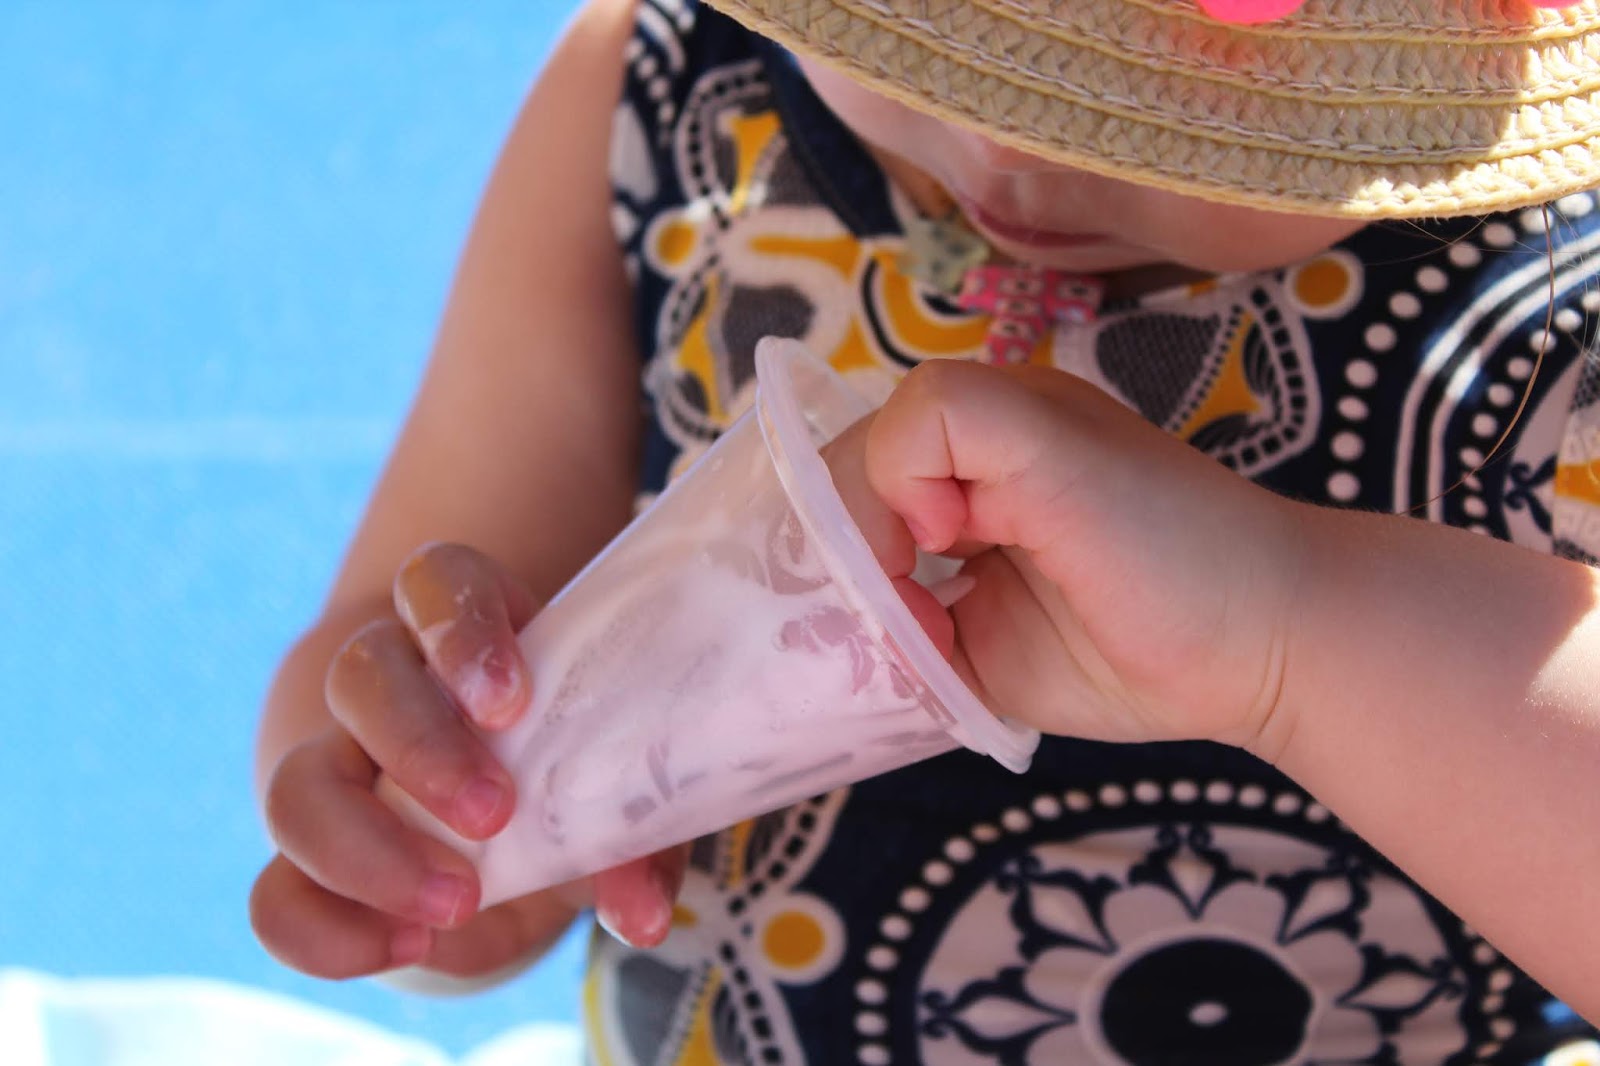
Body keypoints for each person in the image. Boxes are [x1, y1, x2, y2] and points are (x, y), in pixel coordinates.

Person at [248, 0, 1600, 1060]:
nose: (1013, 149)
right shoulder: (664, 94)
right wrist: (435, 830)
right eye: (942, 33)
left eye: (1151, 90)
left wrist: (1287, 632)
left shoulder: (1560, 297)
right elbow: (412, 626)